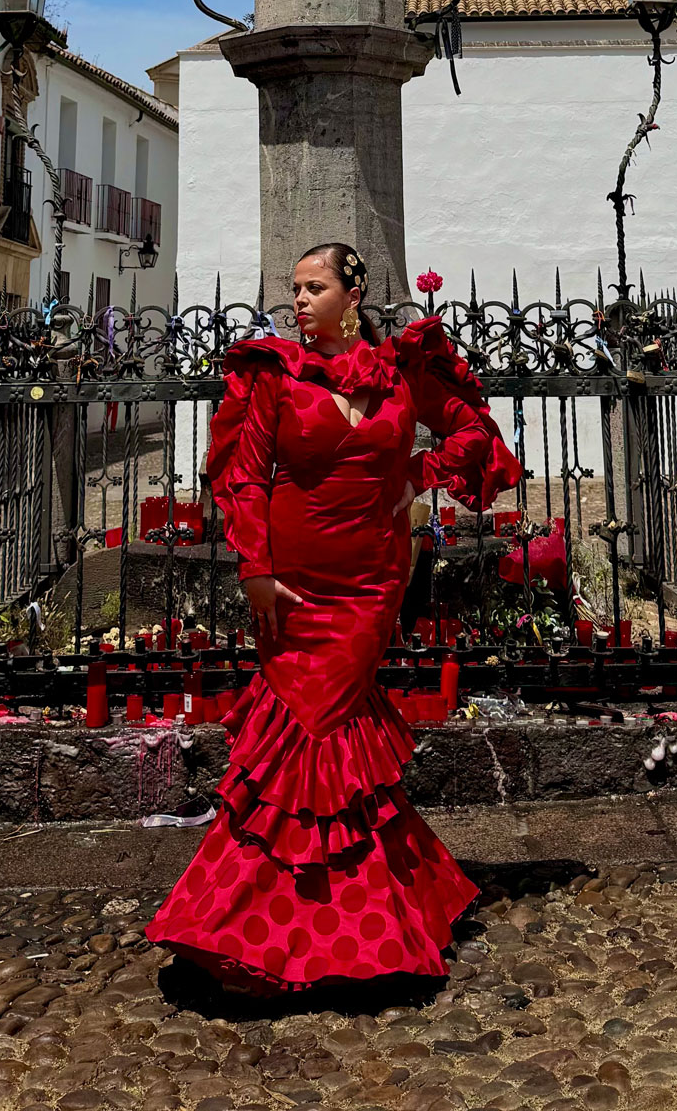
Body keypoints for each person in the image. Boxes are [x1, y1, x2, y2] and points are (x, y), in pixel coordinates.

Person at [145, 241, 521, 992]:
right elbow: (243, 476)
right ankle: (263, 925)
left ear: (354, 294)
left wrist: (416, 476)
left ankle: (349, 927)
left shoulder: (402, 370)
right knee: (301, 733)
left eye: (313, 287)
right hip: (292, 582)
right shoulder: (273, 373)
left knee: (333, 729)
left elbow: (473, 431)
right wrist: (254, 569)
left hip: (370, 583)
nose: (298, 301)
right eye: (294, 289)